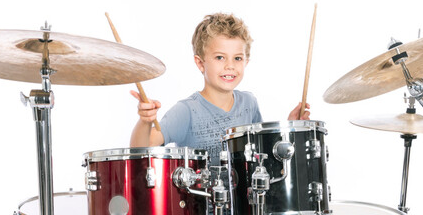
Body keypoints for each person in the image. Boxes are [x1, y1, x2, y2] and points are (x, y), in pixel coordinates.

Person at [130, 13, 309, 165]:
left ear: (246, 61)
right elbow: (140, 149)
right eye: (220, 58)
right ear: (200, 63)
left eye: (237, 58)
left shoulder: (249, 103)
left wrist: (290, 129)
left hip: (244, 204)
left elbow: (263, 156)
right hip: (199, 204)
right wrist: (145, 121)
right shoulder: (186, 111)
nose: (230, 66)